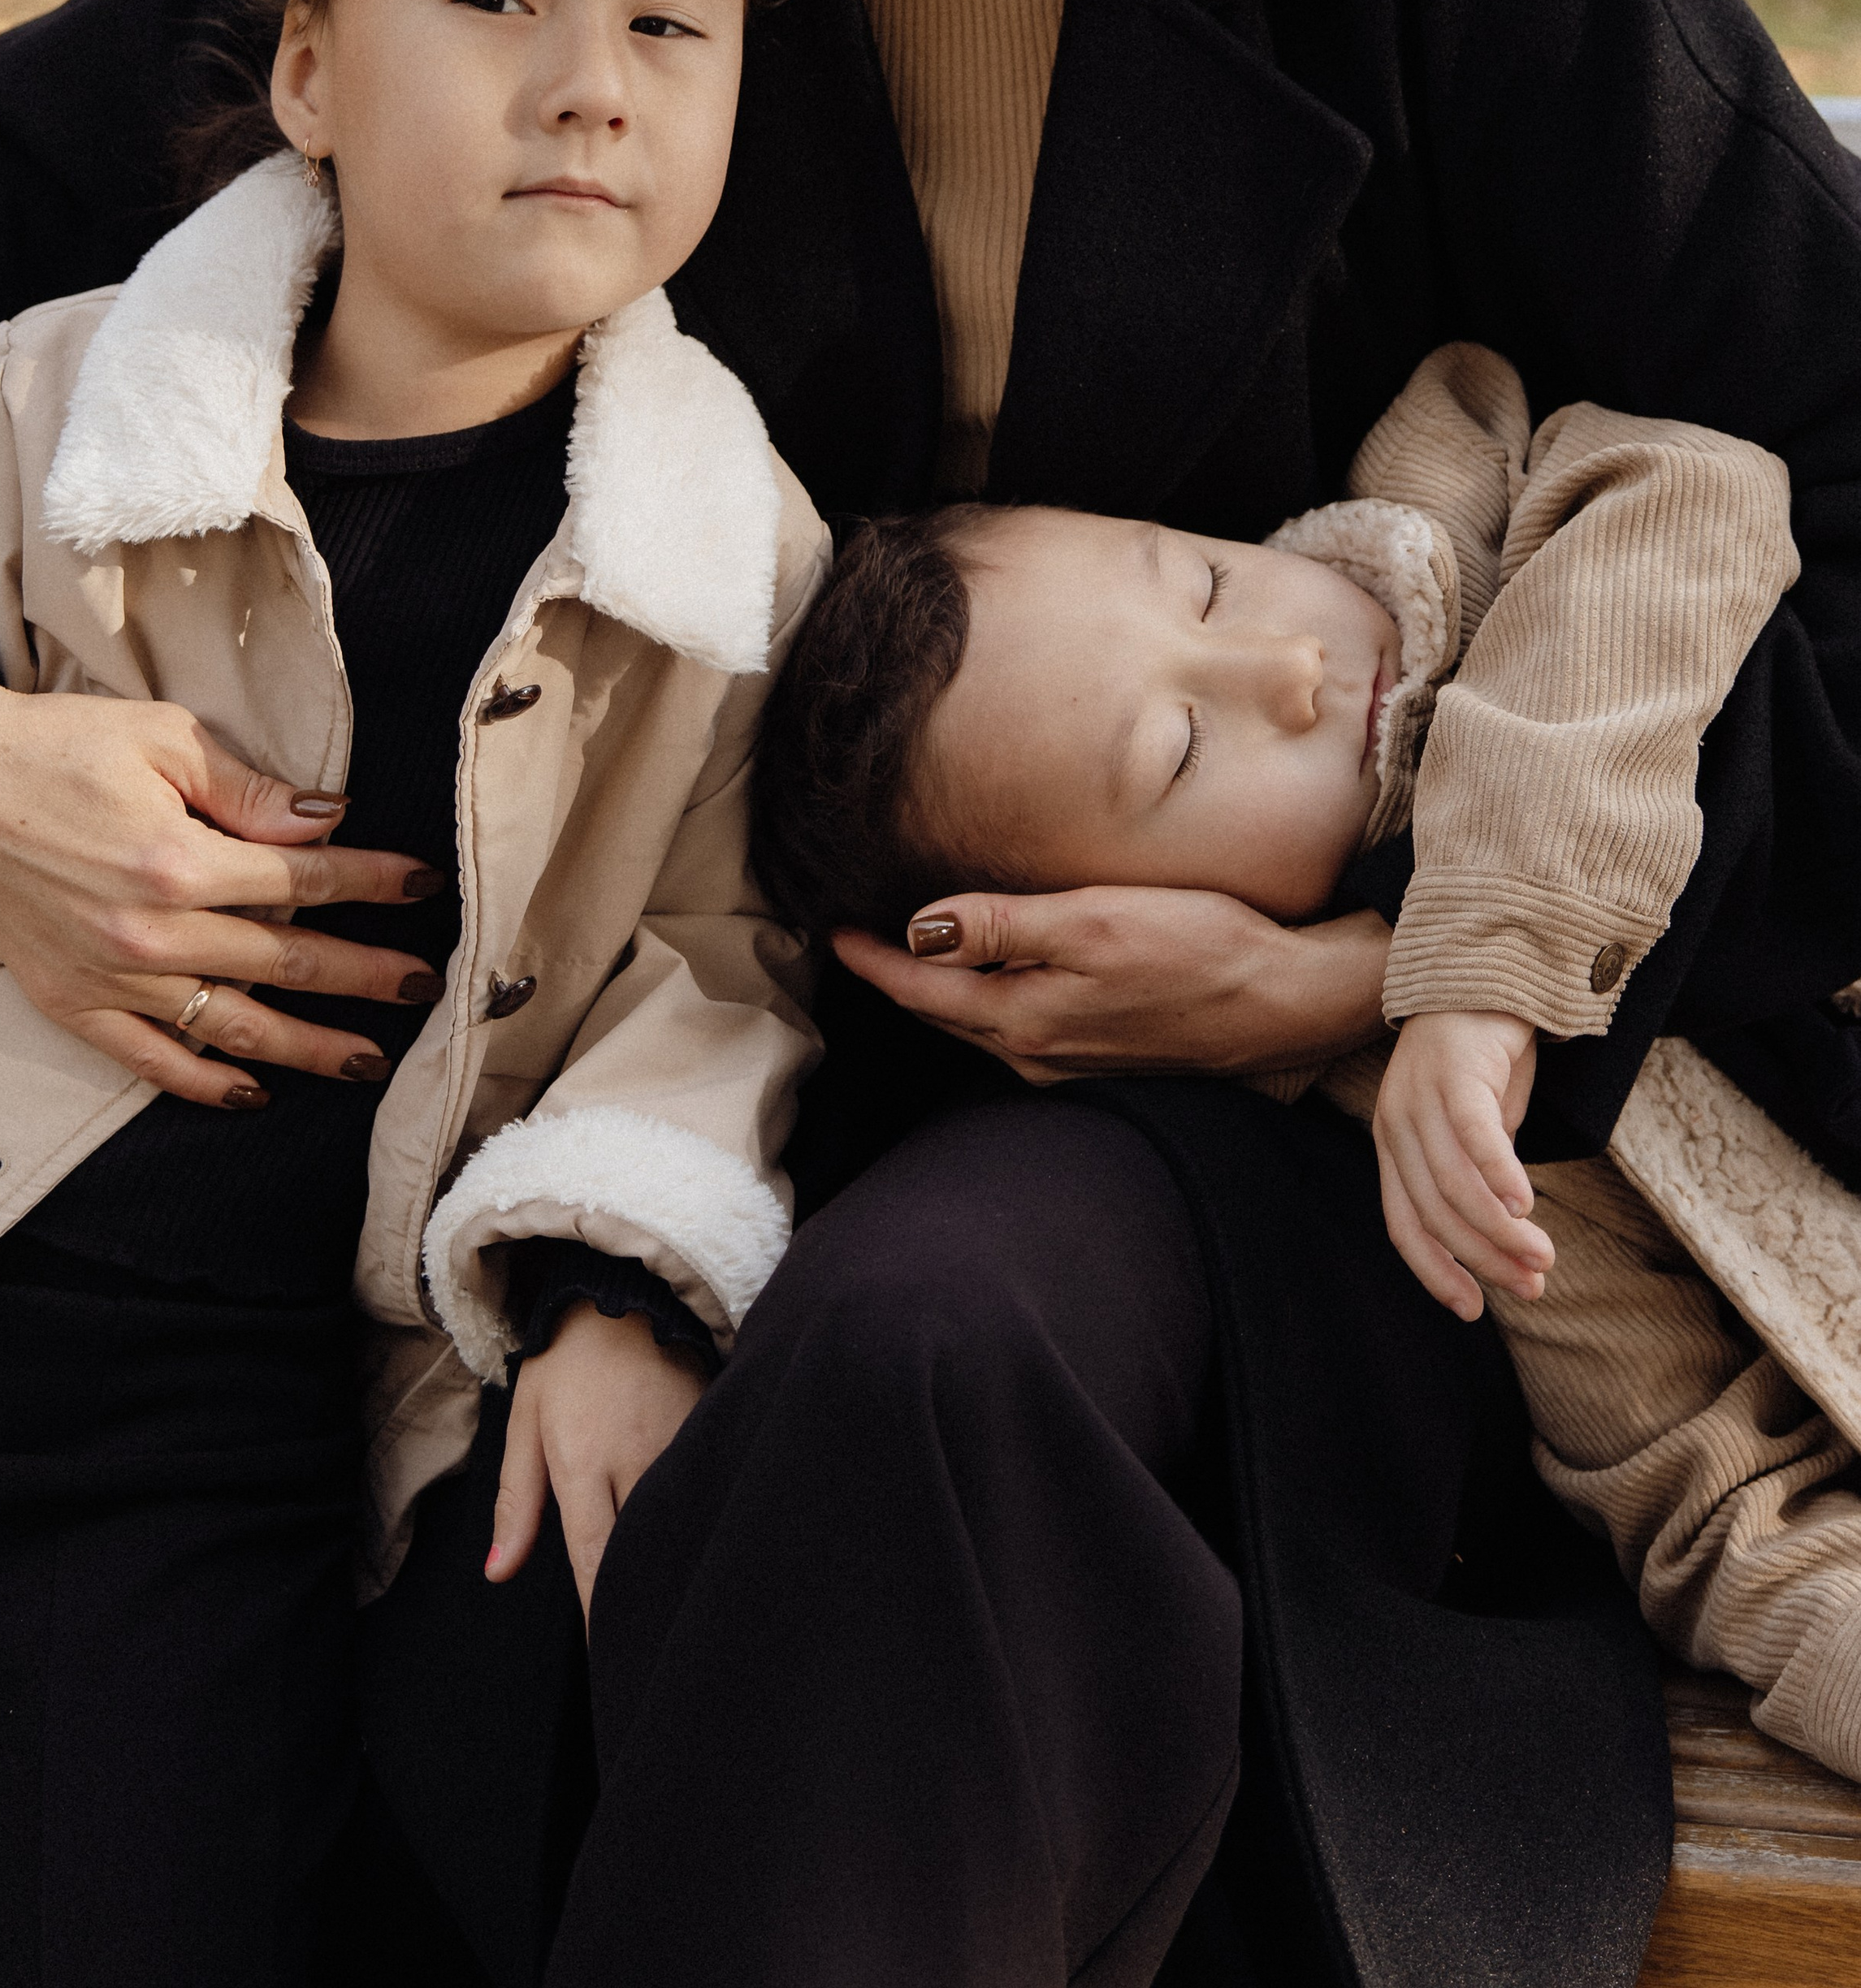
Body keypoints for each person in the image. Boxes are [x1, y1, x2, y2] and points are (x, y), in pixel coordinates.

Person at [0, 0, 1861, 1985]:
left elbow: (1833, 519)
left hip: (1318, 1119)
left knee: (910, 1373)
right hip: (616, 1066)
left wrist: (1398, 959)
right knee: (497, 1602)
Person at [0, 0, 831, 1982]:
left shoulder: (724, 553)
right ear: (310, 75)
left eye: (677, 23)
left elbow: (719, 964)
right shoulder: (56, 396)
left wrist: (612, 1282)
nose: (589, 79)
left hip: (176, 1458)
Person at [753, 342, 1861, 1786]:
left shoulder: (1473, 495)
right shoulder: (1451, 1157)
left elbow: (1699, 494)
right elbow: (1717, 1499)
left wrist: (1474, 963)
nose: (1287, 663)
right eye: (1178, 753)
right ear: (1098, 930)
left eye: (1203, 580)